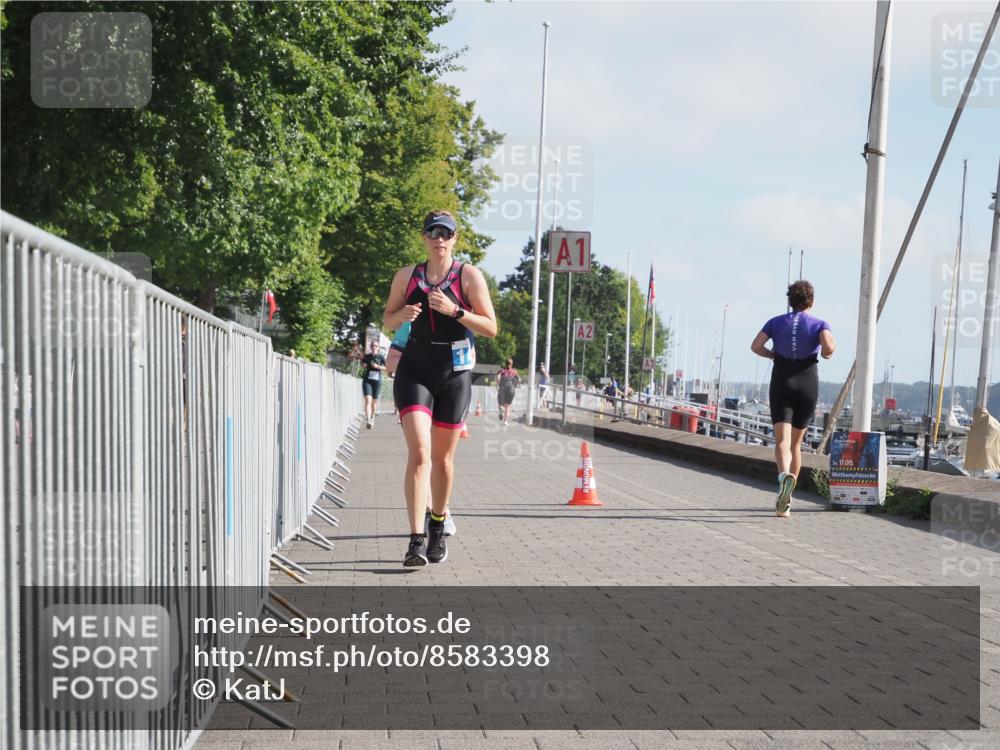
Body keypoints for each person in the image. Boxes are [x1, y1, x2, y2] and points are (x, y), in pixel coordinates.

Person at [383, 210, 497, 567]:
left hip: (454, 374)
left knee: (443, 460)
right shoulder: (407, 276)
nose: (439, 239)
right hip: (414, 370)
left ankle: (437, 522)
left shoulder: (468, 276)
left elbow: (491, 327)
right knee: (419, 453)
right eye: (433, 232)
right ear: (424, 237)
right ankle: (415, 540)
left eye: (446, 233)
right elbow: (387, 317)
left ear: (454, 239)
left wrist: (455, 311)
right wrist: (400, 317)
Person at [751, 280, 835, 518]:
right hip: (807, 383)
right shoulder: (819, 324)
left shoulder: (776, 322)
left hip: (782, 380)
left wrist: (773, 355)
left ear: (790, 301)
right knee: (796, 444)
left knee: (782, 442)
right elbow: (828, 347)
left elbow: (755, 346)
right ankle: (788, 500)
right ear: (811, 301)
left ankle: (782, 477)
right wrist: (827, 353)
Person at [361, 341, 386, 429]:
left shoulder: (381, 357)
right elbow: (363, 365)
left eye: (375, 346)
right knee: (368, 400)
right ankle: (368, 420)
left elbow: (386, 368)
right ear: (370, 347)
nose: (374, 347)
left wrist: (378, 366)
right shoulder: (367, 356)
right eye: (372, 346)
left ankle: (372, 417)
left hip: (377, 381)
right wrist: (364, 364)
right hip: (367, 380)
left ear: (378, 347)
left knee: (374, 402)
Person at [497, 358, 520, 425]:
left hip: (503, 388)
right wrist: (516, 384)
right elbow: (519, 380)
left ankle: (501, 410)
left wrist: (498, 385)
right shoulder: (514, 371)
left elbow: (498, 378)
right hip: (511, 389)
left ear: (505, 363)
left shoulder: (501, 370)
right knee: (507, 406)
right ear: (512, 364)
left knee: (500, 403)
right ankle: (505, 421)